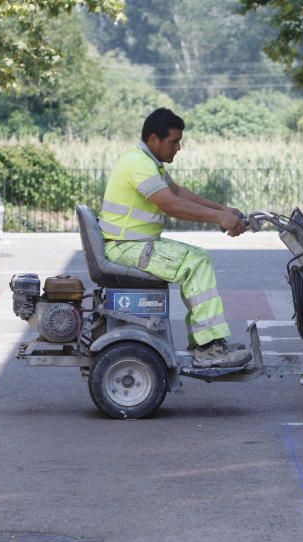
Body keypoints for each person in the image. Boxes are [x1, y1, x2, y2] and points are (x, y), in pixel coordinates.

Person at [99, 108, 251, 368]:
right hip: (126, 249)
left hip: (136, 245)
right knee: (197, 263)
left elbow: (178, 192)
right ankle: (207, 348)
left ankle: (207, 343)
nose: (178, 148)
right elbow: (170, 204)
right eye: (173, 142)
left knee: (198, 260)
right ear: (153, 139)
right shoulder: (138, 164)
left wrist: (222, 210)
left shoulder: (148, 162)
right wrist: (218, 219)